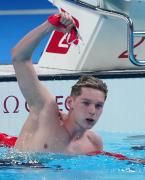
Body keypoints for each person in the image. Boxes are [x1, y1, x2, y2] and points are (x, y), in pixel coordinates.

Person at [12, 12, 108, 154]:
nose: (92, 111)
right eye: (86, 103)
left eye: (98, 105)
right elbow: (19, 58)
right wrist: (49, 26)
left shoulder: (93, 144)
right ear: (70, 103)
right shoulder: (46, 112)